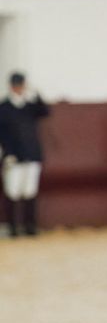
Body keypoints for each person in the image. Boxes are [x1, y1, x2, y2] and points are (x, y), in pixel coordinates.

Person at [0, 72, 51, 237]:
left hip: (31, 154)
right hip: (13, 156)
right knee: (12, 191)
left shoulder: (29, 106)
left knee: (30, 191)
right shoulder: (4, 108)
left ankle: (30, 226)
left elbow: (45, 111)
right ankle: (13, 227)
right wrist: (7, 153)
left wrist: (36, 93)